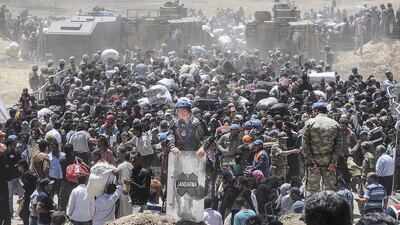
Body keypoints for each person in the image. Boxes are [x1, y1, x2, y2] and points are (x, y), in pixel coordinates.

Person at [302, 102, 343, 195]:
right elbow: (339, 146)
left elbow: (305, 145)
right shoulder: (335, 124)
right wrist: (333, 162)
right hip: (329, 162)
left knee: (312, 191)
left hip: (314, 162)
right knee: (331, 191)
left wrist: (310, 162)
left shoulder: (309, 123)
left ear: (316, 111)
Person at [5, 134, 24, 217]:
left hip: (17, 178)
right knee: (10, 197)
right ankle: (10, 213)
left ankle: (21, 212)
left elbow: (20, 162)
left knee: (22, 194)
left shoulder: (16, 153)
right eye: (13, 144)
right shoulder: (4, 154)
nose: (15, 145)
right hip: (9, 179)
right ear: (9, 145)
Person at [16, 159, 38, 225]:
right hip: (34, 196)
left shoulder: (24, 175)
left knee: (24, 215)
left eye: (18, 166)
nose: (18, 168)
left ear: (22, 166)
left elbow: (27, 188)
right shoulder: (31, 172)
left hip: (29, 198)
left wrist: (25, 198)